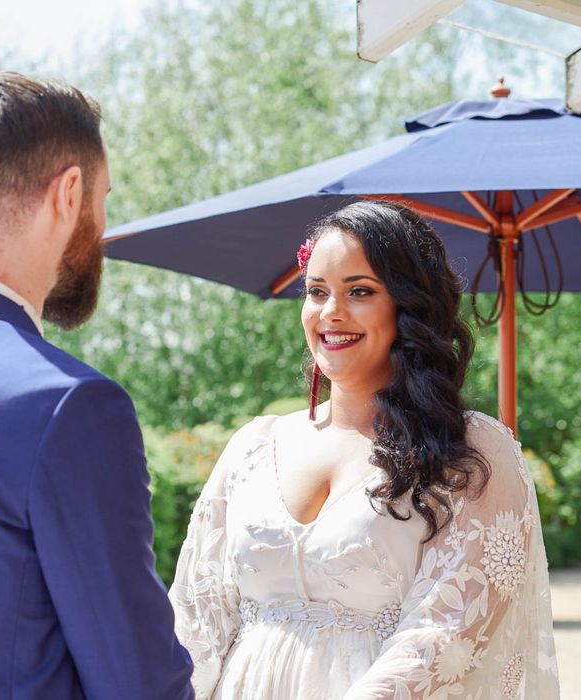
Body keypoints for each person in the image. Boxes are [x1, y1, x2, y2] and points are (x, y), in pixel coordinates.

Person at [169, 200, 559, 699]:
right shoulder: (252, 445)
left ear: (409, 305)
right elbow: (193, 617)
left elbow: (444, 637)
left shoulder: (470, 451)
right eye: (316, 291)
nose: (330, 312)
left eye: (359, 291)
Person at [0, 73, 193, 699]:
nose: (103, 226)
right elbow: (136, 682)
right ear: (69, 192)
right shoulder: (70, 405)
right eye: (104, 198)